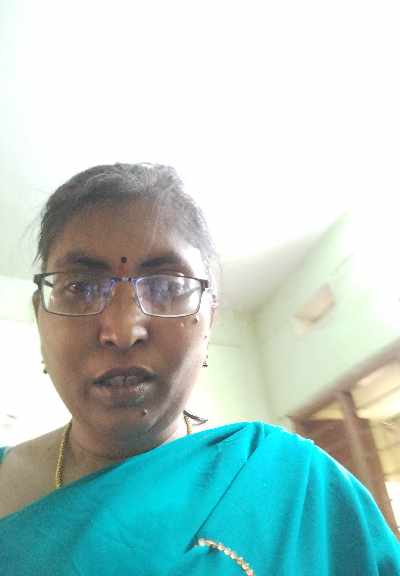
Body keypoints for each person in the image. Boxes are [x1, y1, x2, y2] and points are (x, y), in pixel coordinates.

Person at [0, 163, 398, 576]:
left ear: (210, 320)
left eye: (166, 286)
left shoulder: (297, 490)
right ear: (40, 317)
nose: (122, 331)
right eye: (81, 287)